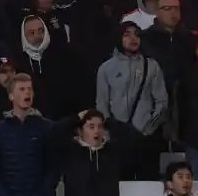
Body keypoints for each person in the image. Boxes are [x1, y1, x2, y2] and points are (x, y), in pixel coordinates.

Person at [95, 21, 168, 179]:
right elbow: (102, 105)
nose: (133, 38)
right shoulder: (106, 68)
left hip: (146, 139)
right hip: (117, 140)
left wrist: (148, 130)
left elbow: (162, 102)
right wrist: (109, 134)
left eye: (136, 34)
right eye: (127, 34)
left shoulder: (152, 66)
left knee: (148, 187)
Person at [0, 73, 58, 196]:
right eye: (22, 89)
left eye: (30, 89)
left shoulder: (46, 127)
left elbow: (54, 167)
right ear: (11, 96)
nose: (27, 92)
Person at [60, 109, 120, 196]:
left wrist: (109, 122)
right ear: (80, 131)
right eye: (91, 127)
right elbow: (54, 133)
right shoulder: (70, 151)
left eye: (100, 126)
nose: (96, 131)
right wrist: (75, 119)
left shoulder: (112, 151)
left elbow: (135, 139)